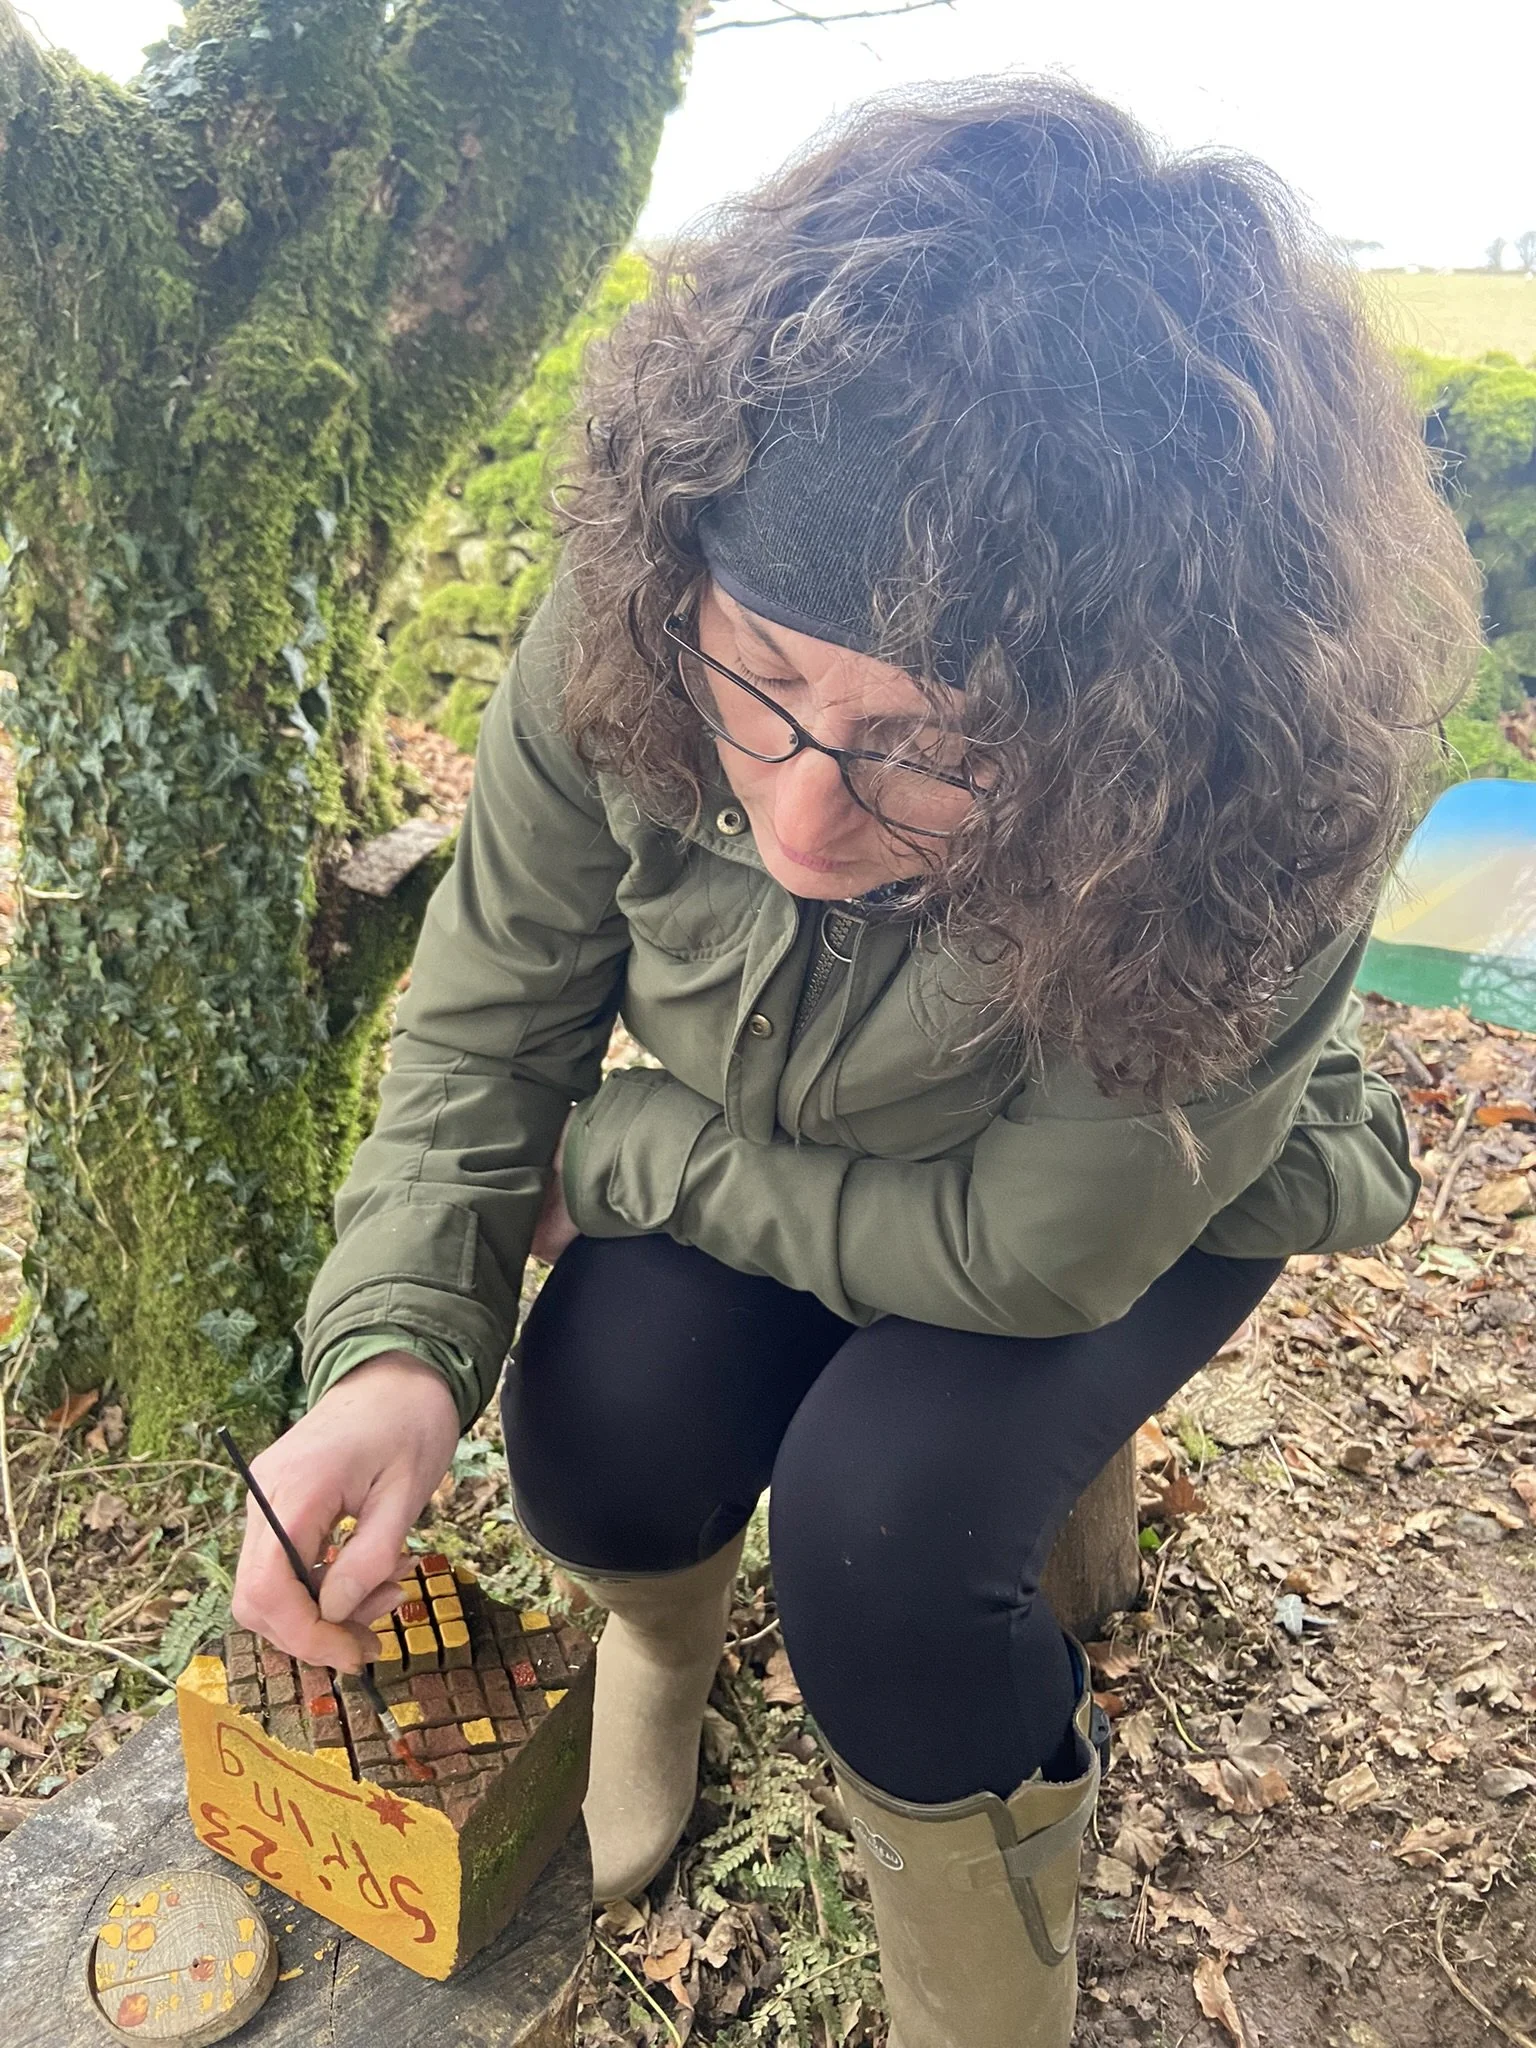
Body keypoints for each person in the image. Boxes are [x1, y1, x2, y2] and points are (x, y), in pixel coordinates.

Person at [231, 79, 1480, 2048]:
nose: (806, 821)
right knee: (601, 1415)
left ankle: (983, 1974)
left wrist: (634, 1154)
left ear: (1126, 720)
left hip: (1120, 1199)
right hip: (802, 1121)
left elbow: (1035, 1251)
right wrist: (387, 1355)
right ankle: (661, 1641)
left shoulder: (1251, 786)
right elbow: (488, 1019)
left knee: (888, 1527)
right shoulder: (631, 633)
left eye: (931, 739)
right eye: (771, 687)